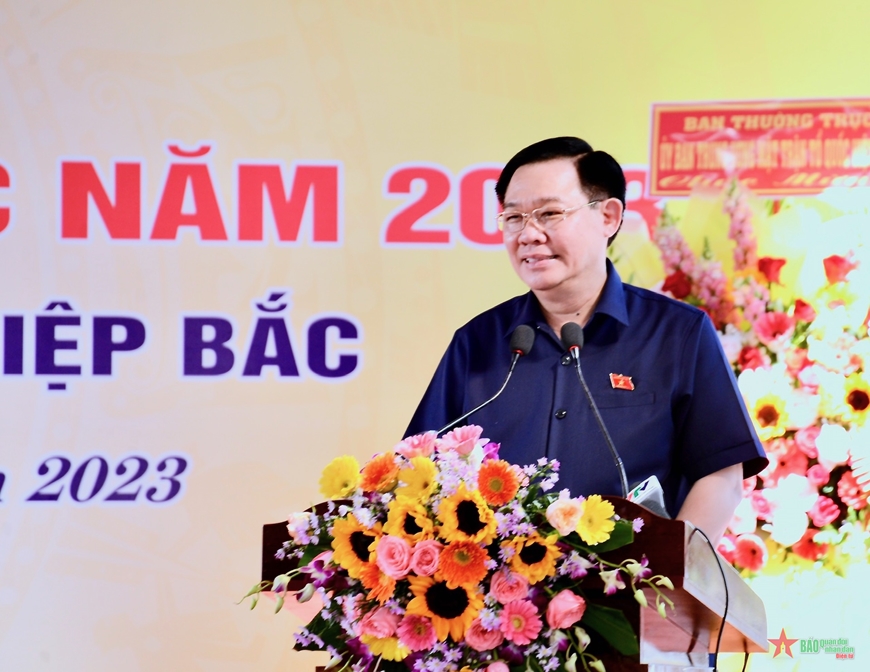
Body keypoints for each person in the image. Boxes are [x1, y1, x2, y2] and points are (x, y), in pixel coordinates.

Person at [404, 136, 767, 543]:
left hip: (629, 579)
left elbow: (720, 476)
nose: (529, 234)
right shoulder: (476, 344)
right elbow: (421, 470)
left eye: (549, 213)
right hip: (500, 580)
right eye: (514, 218)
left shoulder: (677, 333)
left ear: (608, 216)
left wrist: (671, 572)